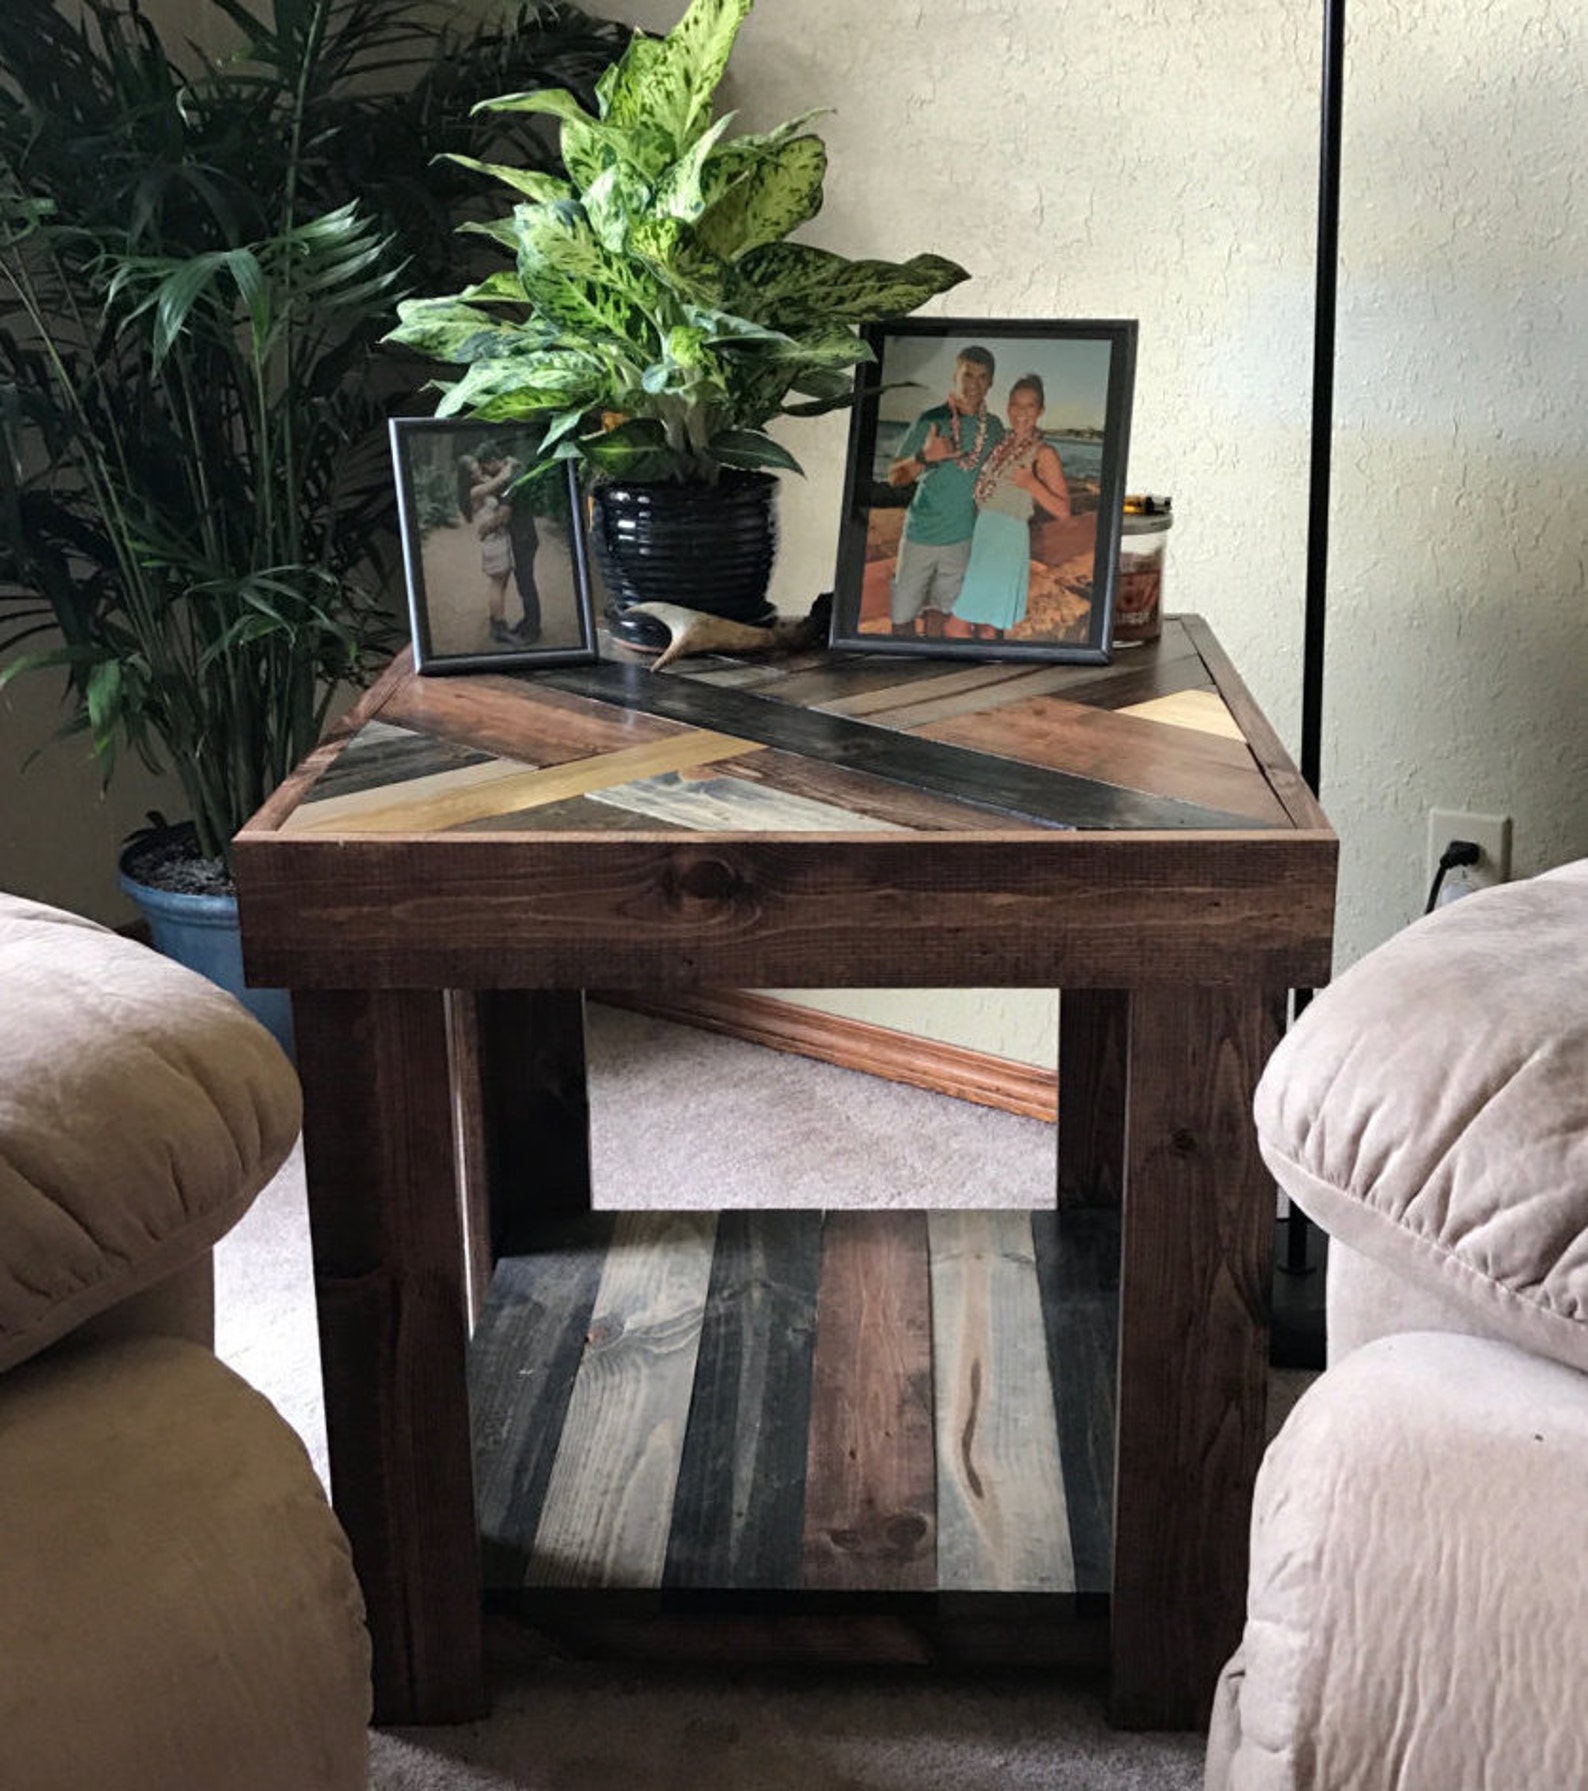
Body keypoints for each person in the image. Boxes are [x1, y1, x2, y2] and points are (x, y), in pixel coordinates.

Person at [885, 345, 1004, 638]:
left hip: (964, 536)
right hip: (920, 533)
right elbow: (894, 478)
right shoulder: (930, 420)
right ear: (954, 376)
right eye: (967, 375)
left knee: (947, 613)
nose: (973, 384)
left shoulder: (995, 428)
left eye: (981, 377)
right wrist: (924, 458)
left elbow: (1000, 478)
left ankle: (935, 673)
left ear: (990, 383)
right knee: (902, 614)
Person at [951, 373, 1071, 640]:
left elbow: (1063, 511)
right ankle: (987, 673)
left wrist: (1031, 484)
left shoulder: (1044, 453)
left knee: (960, 623)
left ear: (1040, 411)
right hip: (983, 536)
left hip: (1006, 541)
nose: (1021, 412)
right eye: (1016, 404)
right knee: (986, 623)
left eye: (1029, 406)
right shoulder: (1001, 446)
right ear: (1008, 407)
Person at [460, 452, 533, 646]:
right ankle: (499, 628)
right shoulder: (475, 491)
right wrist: (510, 462)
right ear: (467, 477)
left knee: (501, 583)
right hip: (493, 540)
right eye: (474, 472)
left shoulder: (480, 486)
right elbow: (502, 479)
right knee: (497, 583)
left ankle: (498, 623)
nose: (479, 473)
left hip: (498, 538)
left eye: (478, 469)